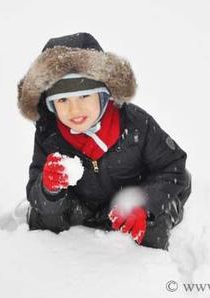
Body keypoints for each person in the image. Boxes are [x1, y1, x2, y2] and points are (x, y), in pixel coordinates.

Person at [17, 32, 191, 250]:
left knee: (152, 227)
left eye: (84, 96)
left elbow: (172, 167)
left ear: (104, 95)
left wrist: (145, 205)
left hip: (128, 203)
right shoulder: (49, 134)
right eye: (62, 100)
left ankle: (148, 262)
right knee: (43, 215)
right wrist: (48, 189)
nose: (74, 109)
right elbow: (35, 185)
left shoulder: (136, 124)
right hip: (82, 206)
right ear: (50, 105)